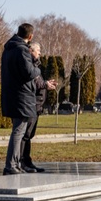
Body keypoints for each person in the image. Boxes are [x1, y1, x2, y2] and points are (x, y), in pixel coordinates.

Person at [0, 23, 41, 175]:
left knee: (18, 131)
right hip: (22, 97)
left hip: (12, 95)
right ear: (30, 37)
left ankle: (15, 163)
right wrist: (37, 67)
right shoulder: (22, 50)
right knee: (18, 132)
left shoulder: (8, 49)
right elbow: (29, 73)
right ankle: (11, 165)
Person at [20, 42, 57, 173]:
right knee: (25, 135)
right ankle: (22, 162)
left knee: (29, 135)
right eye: (38, 50)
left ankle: (27, 161)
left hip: (36, 106)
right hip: (30, 105)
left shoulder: (34, 65)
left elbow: (37, 82)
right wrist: (45, 84)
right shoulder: (28, 65)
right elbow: (33, 83)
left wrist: (46, 84)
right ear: (30, 51)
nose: (40, 53)